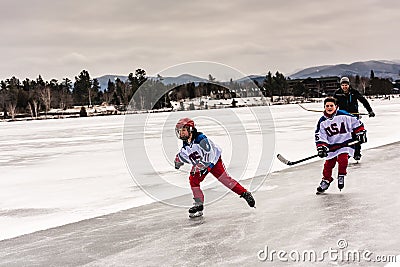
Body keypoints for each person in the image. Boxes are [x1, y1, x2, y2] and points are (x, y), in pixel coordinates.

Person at [174, 117, 255, 217]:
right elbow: (185, 154)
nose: (181, 133)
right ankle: (199, 204)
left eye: (183, 130)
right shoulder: (186, 144)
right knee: (193, 179)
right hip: (201, 163)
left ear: (190, 130)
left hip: (214, 161)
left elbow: (210, 155)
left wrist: (206, 168)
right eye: (180, 131)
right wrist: (178, 160)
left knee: (225, 180)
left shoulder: (201, 139)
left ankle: (245, 193)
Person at [315, 97, 367, 194]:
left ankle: (341, 175)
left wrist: (360, 133)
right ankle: (326, 180)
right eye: (327, 106)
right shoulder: (322, 121)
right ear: (324, 107)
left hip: (346, 143)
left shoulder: (343, 115)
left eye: (331, 106)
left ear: (336, 106)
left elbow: (356, 123)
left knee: (343, 159)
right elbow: (320, 135)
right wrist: (321, 147)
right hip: (332, 145)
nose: (329, 108)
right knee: (328, 164)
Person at [333, 76, 375, 160]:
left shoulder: (354, 92)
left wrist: (370, 110)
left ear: (349, 85)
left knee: (356, 135)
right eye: (343, 85)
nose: (344, 87)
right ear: (340, 86)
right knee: (345, 136)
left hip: (354, 117)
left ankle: (357, 153)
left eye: (346, 85)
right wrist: (331, 113)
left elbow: (363, 101)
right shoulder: (337, 93)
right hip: (343, 118)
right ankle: (347, 152)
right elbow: (333, 104)